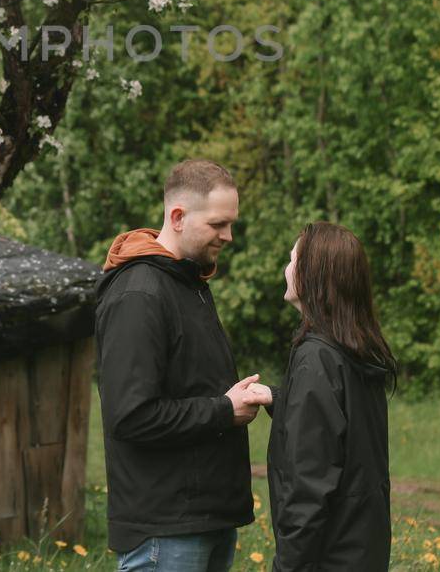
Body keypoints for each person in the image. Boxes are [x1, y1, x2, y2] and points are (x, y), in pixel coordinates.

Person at [96, 158, 271, 572]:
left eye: (231, 224)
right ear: (177, 216)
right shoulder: (139, 295)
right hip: (164, 529)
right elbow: (131, 416)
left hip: (203, 519)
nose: (228, 236)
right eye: (217, 224)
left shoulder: (188, 284)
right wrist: (223, 410)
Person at [266, 221, 396, 572]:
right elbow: (343, 436)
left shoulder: (317, 359)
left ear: (313, 275)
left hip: (328, 558)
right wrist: (279, 399)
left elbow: (309, 487)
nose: (285, 268)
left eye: (292, 261)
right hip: (360, 551)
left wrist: (287, 566)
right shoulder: (355, 350)